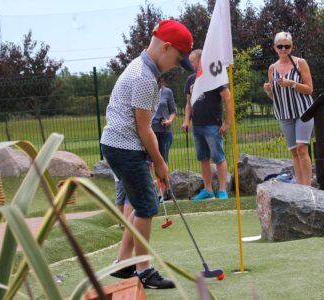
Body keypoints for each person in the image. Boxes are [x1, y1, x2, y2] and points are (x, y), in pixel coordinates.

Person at [100, 19, 194, 289]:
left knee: (140, 203)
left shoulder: (142, 69)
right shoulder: (144, 78)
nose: (177, 65)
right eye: (177, 59)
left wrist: (151, 159)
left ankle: (122, 263)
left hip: (122, 146)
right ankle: (144, 270)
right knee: (146, 207)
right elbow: (144, 128)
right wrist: (160, 163)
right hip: (125, 147)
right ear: (165, 47)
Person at [263, 32, 314, 186]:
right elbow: (274, 97)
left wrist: (292, 84)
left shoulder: (301, 63)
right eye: (280, 46)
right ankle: (300, 186)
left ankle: (307, 187)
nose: (283, 49)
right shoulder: (272, 68)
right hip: (284, 113)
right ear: (275, 48)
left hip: (303, 111)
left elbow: (309, 89)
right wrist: (268, 90)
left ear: (291, 47)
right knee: (294, 152)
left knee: (302, 148)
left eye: (287, 46)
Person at [182, 49, 232, 200]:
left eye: (192, 61)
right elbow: (188, 103)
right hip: (197, 126)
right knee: (203, 158)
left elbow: (227, 98)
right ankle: (208, 190)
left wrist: (227, 122)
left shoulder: (214, 76)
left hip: (212, 125)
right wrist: (186, 120)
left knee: (219, 158)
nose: (190, 64)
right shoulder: (191, 79)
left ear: (200, 60)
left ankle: (222, 190)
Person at [151, 76, 177, 199]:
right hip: (150, 132)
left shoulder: (167, 92)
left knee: (162, 162)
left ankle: (165, 191)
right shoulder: (146, 91)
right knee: (151, 163)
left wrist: (169, 120)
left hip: (164, 131)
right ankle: (156, 192)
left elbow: (173, 111)